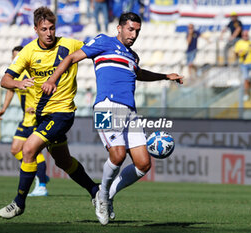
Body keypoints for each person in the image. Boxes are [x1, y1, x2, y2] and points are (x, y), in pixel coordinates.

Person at [41, 12, 183, 225]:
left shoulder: (133, 56)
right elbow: (71, 57)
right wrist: (53, 79)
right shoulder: (103, 41)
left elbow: (139, 73)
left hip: (130, 112)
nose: (134, 34)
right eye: (130, 29)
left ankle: (105, 196)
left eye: (137, 31)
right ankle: (102, 193)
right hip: (106, 106)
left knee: (143, 164)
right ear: (119, 28)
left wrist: (165, 76)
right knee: (117, 156)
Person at [0, 6, 99, 219]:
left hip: (62, 113)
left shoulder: (69, 44)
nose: (49, 33)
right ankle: (95, 191)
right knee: (63, 161)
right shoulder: (27, 51)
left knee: (28, 149)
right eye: (44, 29)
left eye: (52, 28)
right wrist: (19, 82)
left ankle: (18, 203)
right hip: (41, 116)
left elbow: (96, 49)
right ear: (36, 29)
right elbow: (4, 80)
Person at [0, 46, 49, 197]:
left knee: (33, 152)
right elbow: (10, 90)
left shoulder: (32, 74)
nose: (17, 59)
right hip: (25, 120)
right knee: (15, 150)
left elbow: (44, 91)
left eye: (19, 56)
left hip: (35, 119)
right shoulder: (15, 75)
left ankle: (42, 185)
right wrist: (4, 108)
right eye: (14, 57)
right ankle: (40, 175)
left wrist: (36, 107)